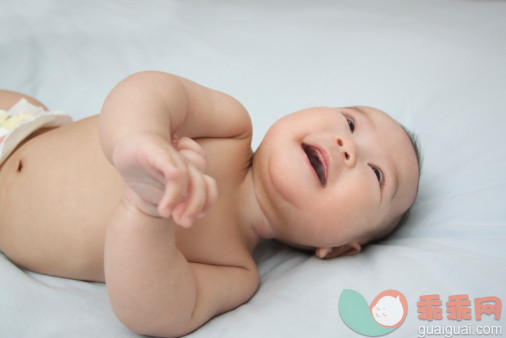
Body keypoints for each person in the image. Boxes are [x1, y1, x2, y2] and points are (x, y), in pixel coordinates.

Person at [0, 71, 420, 337]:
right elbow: (149, 90)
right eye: (349, 121)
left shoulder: (235, 272)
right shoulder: (230, 128)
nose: (348, 146)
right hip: (26, 124)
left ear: (341, 248)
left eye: (377, 174)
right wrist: (138, 137)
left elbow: (153, 314)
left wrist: (146, 210)